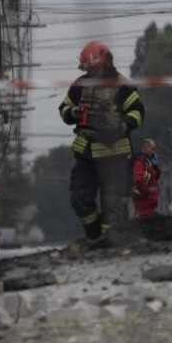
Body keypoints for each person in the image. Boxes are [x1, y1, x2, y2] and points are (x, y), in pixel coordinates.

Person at [58, 40, 145, 246]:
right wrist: (73, 112)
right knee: (79, 198)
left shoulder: (122, 86)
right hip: (86, 154)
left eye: (95, 69)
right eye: (89, 70)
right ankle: (94, 237)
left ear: (106, 63)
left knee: (113, 206)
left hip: (115, 155)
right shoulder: (80, 85)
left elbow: (138, 112)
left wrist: (124, 125)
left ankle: (112, 242)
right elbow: (64, 108)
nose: (93, 74)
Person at [131, 138, 161, 220]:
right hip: (145, 200)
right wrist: (146, 194)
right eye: (152, 149)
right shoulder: (140, 162)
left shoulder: (149, 162)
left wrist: (155, 166)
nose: (154, 151)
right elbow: (139, 180)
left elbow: (156, 177)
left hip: (150, 200)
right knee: (146, 221)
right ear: (145, 148)